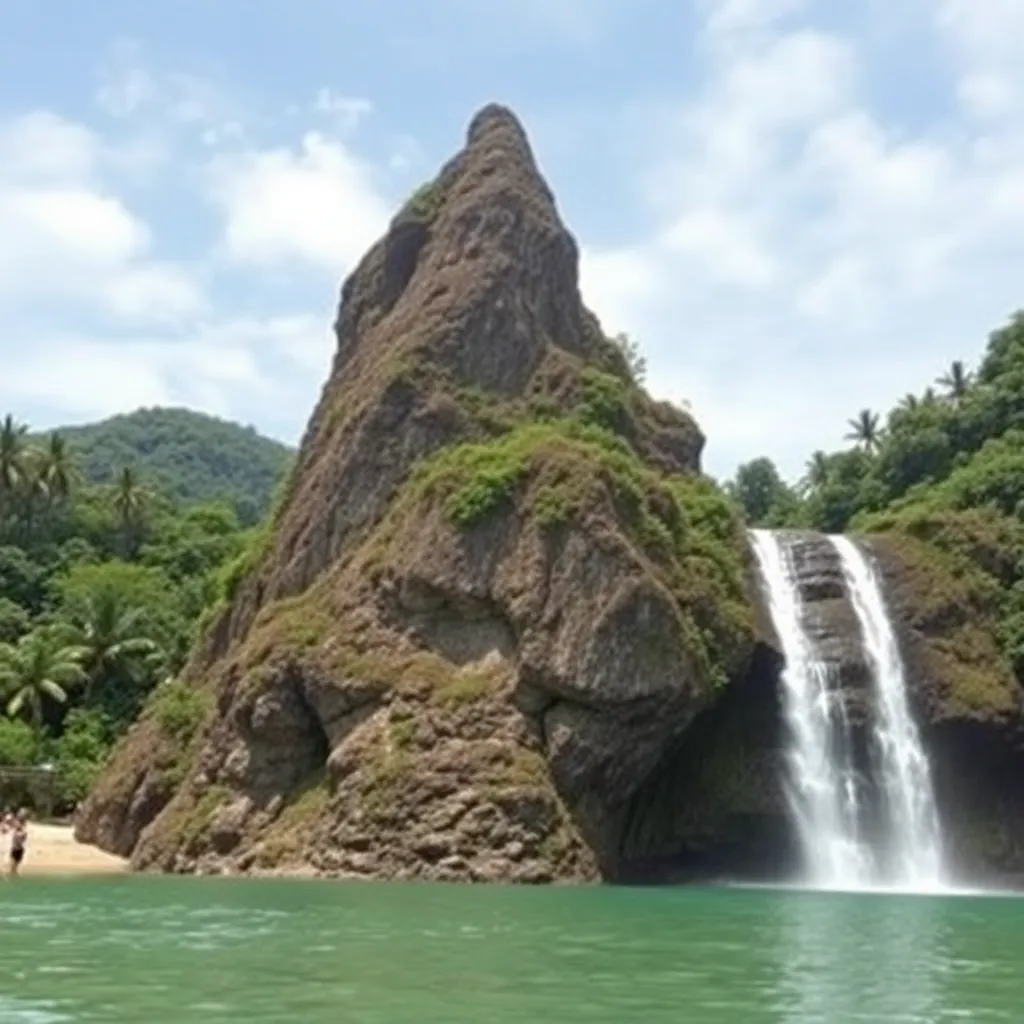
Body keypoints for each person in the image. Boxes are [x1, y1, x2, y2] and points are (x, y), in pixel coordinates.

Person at [8, 810, 27, 878]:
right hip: (16, 846)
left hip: (19, 846)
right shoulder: (17, 825)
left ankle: (14, 872)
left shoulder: (22, 825)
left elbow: (24, 837)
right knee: (14, 860)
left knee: (17, 860)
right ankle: (12, 871)